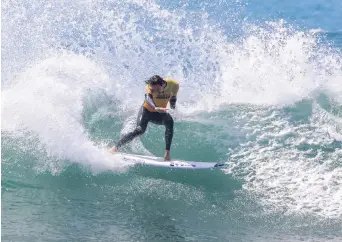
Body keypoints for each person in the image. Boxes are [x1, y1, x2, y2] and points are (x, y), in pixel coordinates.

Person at [109, 75, 179, 161]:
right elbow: (147, 98)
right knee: (140, 130)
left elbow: (173, 98)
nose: (154, 91)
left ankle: (167, 153)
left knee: (170, 122)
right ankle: (115, 147)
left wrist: (173, 109)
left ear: (162, 85)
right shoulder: (150, 87)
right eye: (152, 90)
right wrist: (155, 108)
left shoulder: (174, 85)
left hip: (160, 112)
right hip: (147, 111)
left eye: (156, 90)